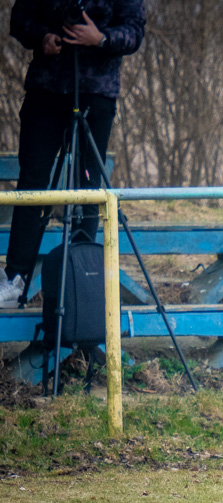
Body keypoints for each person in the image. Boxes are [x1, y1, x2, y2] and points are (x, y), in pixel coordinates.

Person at [0, 0, 146, 307]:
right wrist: (43, 37)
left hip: (97, 92)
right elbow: (20, 19)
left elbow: (134, 32)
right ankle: (16, 278)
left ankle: (83, 280)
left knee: (87, 189)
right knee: (32, 183)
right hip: (46, 91)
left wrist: (101, 38)